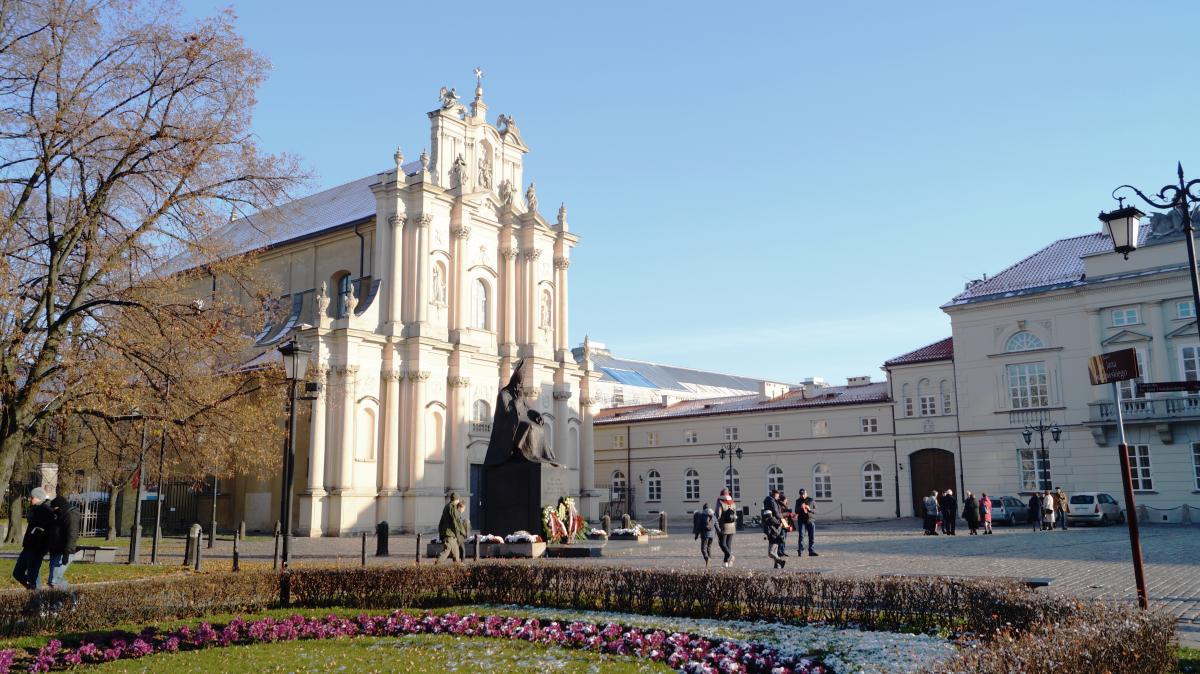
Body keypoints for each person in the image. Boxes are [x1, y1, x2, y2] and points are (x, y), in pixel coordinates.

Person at [12, 487, 53, 589]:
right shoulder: (35, 508)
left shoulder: (46, 510)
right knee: (17, 573)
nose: (29, 499)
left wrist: (42, 547)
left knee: (32, 577)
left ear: (38, 497)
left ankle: (36, 594)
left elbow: (48, 530)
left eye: (32, 497)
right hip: (28, 547)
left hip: (37, 549)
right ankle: (32, 589)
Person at [46, 495, 80, 589]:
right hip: (56, 551)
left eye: (54, 508)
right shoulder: (59, 515)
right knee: (53, 581)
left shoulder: (71, 515)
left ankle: (71, 595)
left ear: (59, 506)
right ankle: (70, 595)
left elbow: (72, 536)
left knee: (54, 581)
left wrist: (66, 554)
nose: (53, 510)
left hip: (64, 552)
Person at [435, 492, 467, 564]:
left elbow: (442, 521)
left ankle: (457, 567)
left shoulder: (447, 506)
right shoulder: (452, 507)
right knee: (446, 551)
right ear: (457, 499)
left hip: (450, 535)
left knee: (456, 553)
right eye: (458, 500)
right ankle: (436, 565)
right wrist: (463, 532)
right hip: (449, 534)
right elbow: (456, 521)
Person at [716, 489, 737, 567]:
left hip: (724, 525)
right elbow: (735, 515)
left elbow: (718, 514)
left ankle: (730, 556)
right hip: (732, 526)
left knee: (722, 543)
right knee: (728, 545)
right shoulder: (733, 502)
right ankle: (726, 562)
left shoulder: (720, 502)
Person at [795, 488, 817, 556]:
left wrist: (809, 509)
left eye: (803, 494)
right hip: (801, 521)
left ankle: (811, 551)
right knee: (801, 535)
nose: (802, 496)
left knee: (811, 536)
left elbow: (816, 510)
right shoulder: (798, 501)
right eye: (801, 494)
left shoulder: (811, 500)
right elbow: (796, 511)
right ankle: (800, 550)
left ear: (806, 493)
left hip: (810, 520)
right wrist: (800, 508)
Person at [776, 494, 793, 558]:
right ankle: (779, 551)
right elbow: (781, 516)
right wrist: (787, 513)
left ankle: (782, 551)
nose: (786, 501)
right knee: (782, 538)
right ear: (782, 500)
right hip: (782, 524)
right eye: (785, 500)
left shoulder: (785, 506)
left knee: (784, 539)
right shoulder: (780, 506)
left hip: (785, 523)